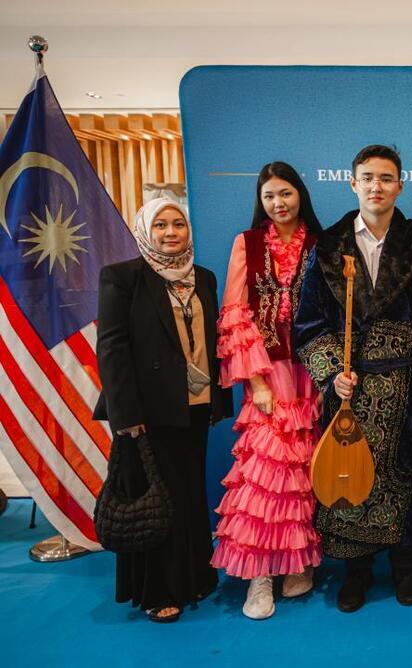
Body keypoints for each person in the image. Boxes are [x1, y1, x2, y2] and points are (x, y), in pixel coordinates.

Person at [294, 144, 412, 612]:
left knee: (401, 477)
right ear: (352, 183)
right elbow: (307, 323)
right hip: (347, 390)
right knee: (348, 479)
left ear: (401, 184)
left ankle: (404, 569)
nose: (376, 186)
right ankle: (354, 573)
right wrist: (332, 374)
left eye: (386, 177)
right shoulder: (328, 246)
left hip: (401, 390)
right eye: (367, 178)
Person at [94, 197, 232, 623]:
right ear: (145, 232)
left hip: (194, 405)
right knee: (155, 498)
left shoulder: (203, 279)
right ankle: (157, 590)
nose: (171, 233)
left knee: (190, 492)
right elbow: (112, 348)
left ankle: (195, 577)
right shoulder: (123, 278)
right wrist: (124, 414)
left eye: (179, 224)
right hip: (146, 413)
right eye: (161, 225)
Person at [210, 162, 324, 620]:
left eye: (286, 194)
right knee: (264, 471)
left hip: (309, 370)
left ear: (301, 195)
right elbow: (235, 311)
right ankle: (259, 578)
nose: (279, 203)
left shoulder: (320, 244)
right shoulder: (247, 243)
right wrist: (255, 381)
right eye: (270, 196)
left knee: (301, 471)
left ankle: (293, 562)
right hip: (266, 371)